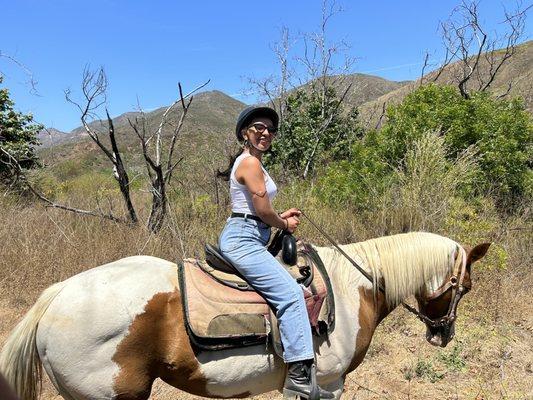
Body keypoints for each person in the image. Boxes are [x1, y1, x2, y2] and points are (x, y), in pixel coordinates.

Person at [217, 106, 333, 400]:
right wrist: (283, 222)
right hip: (243, 239)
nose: (265, 133)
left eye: (270, 129)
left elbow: (257, 210)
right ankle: (299, 378)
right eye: (258, 127)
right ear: (245, 132)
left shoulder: (254, 164)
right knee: (292, 295)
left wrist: (278, 216)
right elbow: (261, 210)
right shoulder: (250, 164)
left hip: (252, 232)